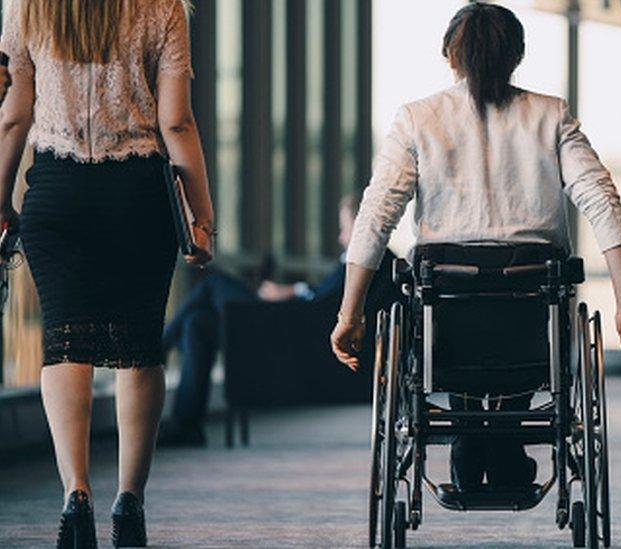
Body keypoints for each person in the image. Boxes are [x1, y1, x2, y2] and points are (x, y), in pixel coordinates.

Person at [330, 2, 621, 491]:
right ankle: (502, 445)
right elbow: (602, 199)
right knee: (523, 321)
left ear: (449, 56)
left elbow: (376, 217)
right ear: (517, 56)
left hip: (447, 314)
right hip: (531, 313)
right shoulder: (551, 115)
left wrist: (349, 315)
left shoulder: (418, 120)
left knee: (448, 322)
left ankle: (469, 436)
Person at [0, 1, 214, 547]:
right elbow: (177, 121)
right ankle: (129, 501)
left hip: (56, 193)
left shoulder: (28, 8)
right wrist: (202, 215)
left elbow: (13, 116)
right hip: (137, 195)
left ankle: (76, 495)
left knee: (64, 341)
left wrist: (1, 200)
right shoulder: (163, 8)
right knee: (139, 347)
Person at [158, 194, 398, 447]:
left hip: (282, 330)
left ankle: (161, 348)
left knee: (213, 283)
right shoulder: (380, 265)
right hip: (288, 330)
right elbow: (327, 299)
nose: (340, 237)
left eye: (344, 229)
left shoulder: (362, 263)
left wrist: (285, 292)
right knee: (198, 324)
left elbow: (321, 302)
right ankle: (187, 425)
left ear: (361, 226)